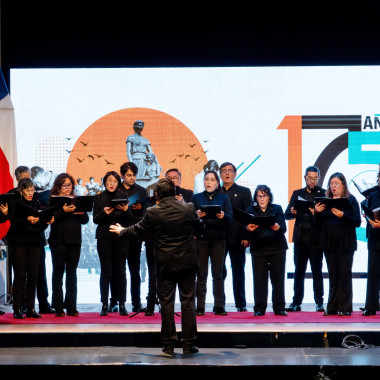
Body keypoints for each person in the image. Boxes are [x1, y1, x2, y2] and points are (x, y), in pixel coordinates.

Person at [110, 178, 199, 356]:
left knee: (166, 304)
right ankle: (189, 345)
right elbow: (200, 228)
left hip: (166, 264)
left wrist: (121, 231)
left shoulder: (153, 212)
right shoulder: (188, 207)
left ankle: (168, 346)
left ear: (157, 194)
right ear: (174, 191)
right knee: (188, 303)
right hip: (187, 263)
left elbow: (137, 230)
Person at [6, 165, 55, 314]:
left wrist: (43, 221)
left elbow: (41, 225)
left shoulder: (37, 202)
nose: (30, 193)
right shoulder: (13, 201)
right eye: (27, 190)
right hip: (19, 243)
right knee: (20, 275)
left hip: (35, 242)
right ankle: (18, 308)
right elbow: (13, 223)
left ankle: (32, 307)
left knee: (35, 275)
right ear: (20, 189)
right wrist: (26, 219)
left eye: (32, 189)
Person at [314, 172, 361, 316]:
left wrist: (343, 215)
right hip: (329, 243)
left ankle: (345, 308)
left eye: (337, 183)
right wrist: (316, 213)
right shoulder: (325, 201)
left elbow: (357, 222)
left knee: (345, 275)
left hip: (346, 244)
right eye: (331, 183)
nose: (333, 186)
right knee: (333, 275)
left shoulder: (350, 200)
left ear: (343, 185)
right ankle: (332, 307)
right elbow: (318, 223)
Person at [190, 170, 233, 316]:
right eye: (206, 179)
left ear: (217, 182)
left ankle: (219, 306)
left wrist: (223, 216)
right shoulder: (195, 198)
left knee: (218, 274)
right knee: (201, 274)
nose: (208, 182)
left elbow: (230, 218)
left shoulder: (223, 198)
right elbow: (188, 218)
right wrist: (196, 215)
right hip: (201, 239)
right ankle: (200, 307)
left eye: (212, 180)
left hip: (218, 239)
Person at [285, 166, 326, 312]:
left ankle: (319, 302)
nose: (313, 181)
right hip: (300, 238)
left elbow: (326, 218)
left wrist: (317, 213)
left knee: (317, 271)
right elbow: (286, 215)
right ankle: (296, 302)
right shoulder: (297, 193)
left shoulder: (323, 194)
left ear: (319, 178)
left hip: (316, 239)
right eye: (310, 178)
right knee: (299, 271)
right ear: (305, 178)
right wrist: (292, 212)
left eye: (315, 178)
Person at [48, 173, 89, 317]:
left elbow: (85, 220)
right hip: (58, 242)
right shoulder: (52, 201)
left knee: (72, 275)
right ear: (58, 187)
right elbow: (50, 219)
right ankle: (58, 307)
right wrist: (63, 211)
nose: (67, 188)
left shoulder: (76, 200)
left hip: (74, 242)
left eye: (69, 185)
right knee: (58, 274)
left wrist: (82, 213)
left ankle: (72, 306)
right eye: (64, 185)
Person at [93, 171, 133, 316]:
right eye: (109, 181)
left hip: (121, 238)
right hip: (104, 238)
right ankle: (104, 304)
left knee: (121, 272)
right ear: (105, 182)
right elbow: (95, 220)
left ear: (118, 183)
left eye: (115, 181)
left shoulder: (123, 197)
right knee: (106, 271)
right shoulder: (99, 197)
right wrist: (105, 213)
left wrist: (126, 210)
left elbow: (129, 221)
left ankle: (122, 304)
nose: (111, 183)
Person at [246, 185, 288, 316]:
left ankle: (279, 307)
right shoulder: (250, 210)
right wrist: (248, 229)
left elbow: (283, 227)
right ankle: (259, 308)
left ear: (269, 197)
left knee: (278, 280)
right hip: (258, 249)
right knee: (259, 280)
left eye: (264, 196)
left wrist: (277, 227)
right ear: (255, 198)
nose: (262, 199)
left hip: (277, 248)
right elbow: (245, 229)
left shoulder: (277, 208)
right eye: (259, 196)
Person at [220, 162, 252, 312]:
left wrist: (247, 236)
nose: (227, 173)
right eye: (224, 171)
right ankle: (220, 303)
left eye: (230, 171)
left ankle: (241, 303)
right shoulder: (215, 192)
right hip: (218, 238)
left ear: (235, 173)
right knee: (219, 272)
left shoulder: (244, 192)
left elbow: (249, 216)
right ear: (220, 174)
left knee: (238, 271)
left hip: (238, 237)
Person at [118, 161, 149, 313]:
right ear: (122, 176)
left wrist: (139, 208)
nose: (132, 178)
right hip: (119, 233)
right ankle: (116, 302)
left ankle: (136, 303)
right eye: (129, 175)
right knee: (118, 271)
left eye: (134, 175)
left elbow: (146, 213)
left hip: (135, 234)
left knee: (135, 270)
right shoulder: (116, 190)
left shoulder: (142, 191)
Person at [362, 171, 380, 316]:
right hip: (375, 237)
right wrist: (370, 219)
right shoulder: (373, 195)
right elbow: (370, 212)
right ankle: (371, 306)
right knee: (372, 272)